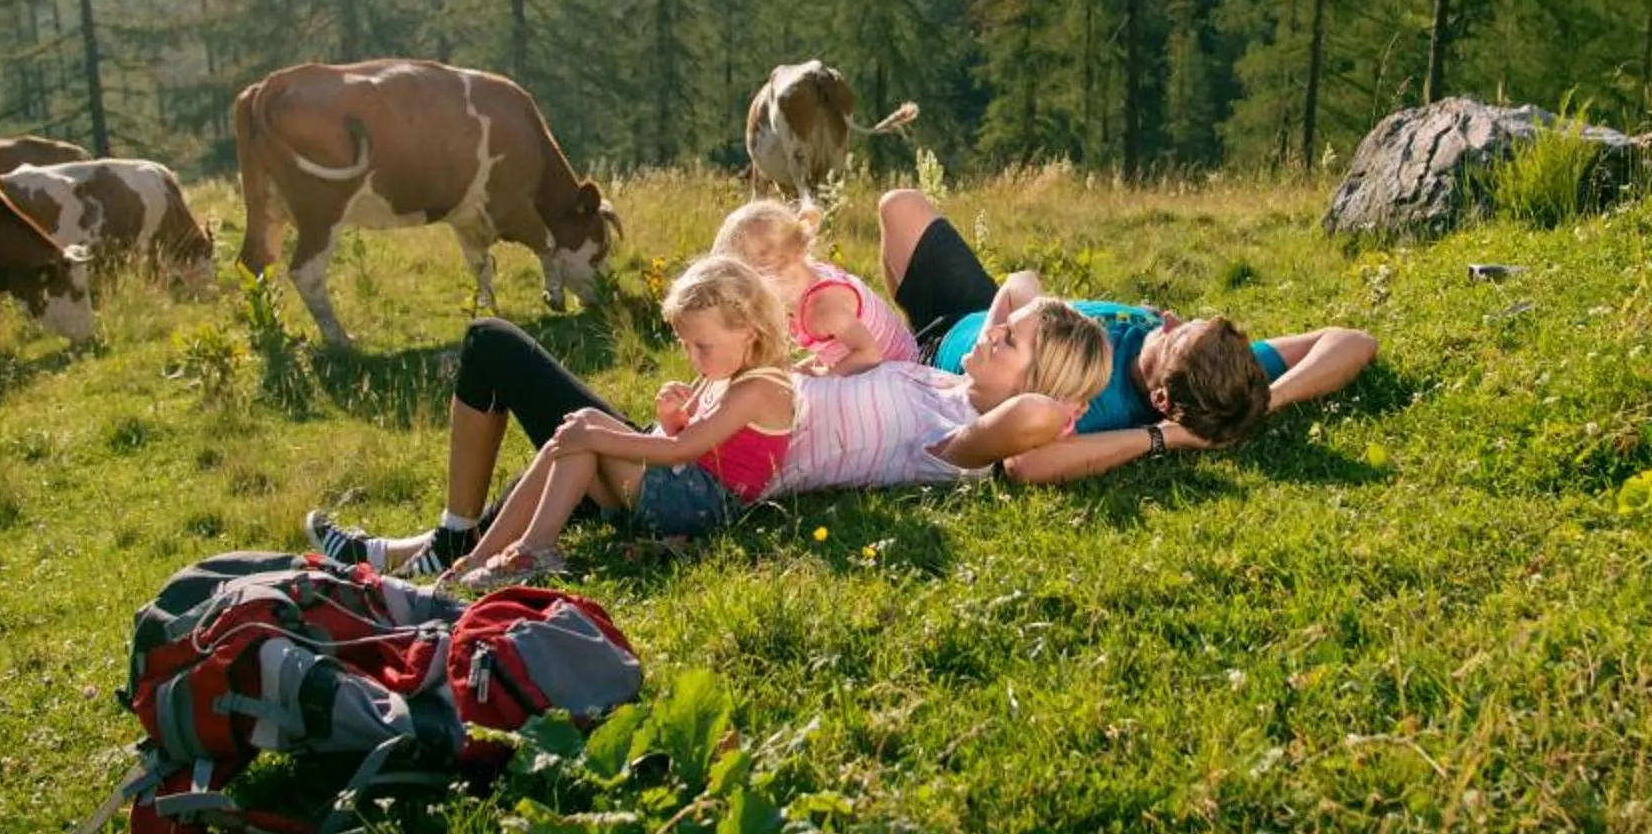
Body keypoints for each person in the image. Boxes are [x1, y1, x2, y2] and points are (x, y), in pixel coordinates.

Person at [307, 257, 1119, 577]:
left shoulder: (952, 442)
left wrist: (1102, 411)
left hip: (708, 469)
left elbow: (1029, 424)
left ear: (1034, 386)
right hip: (707, 438)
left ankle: (451, 544)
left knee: (496, 349)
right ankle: (436, 546)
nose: (993, 329)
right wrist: (1033, 323)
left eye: (1009, 342)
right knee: (560, 431)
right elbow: (1018, 280)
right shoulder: (937, 384)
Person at [876, 186, 1379, 485]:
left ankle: (905, 338)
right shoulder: (1218, 371)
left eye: (1172, 338)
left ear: (1160, 397)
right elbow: (1352, 340)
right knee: (899, 206)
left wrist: (1163, 438)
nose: (1169, 321)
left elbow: (1026, 463)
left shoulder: (1096, 402)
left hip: (945, 361)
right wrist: (1266, 402)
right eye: (1188, 322)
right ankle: (909, 318)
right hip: (986, 314)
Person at [434, 254, 798, 585]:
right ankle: (479, 556)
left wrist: (598, 438)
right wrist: (671, 419)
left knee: (585, 434)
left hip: (700, 506)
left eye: (701, 346)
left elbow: (682, 449)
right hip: (683, 491)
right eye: (685, 345)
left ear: (748, 331)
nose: (692, 357)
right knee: (581, 425)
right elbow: (688, 439)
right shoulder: (724, 371)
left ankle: (535, 548)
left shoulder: (761, 388)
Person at [715, 198, 921, 376]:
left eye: (746, 290)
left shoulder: (823, 308)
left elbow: (869, 355)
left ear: (774, 271)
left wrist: (819, 377)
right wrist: (800, 370)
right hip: (880, 367)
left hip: (899, 375)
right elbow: (836, 351)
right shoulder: (808, 279)